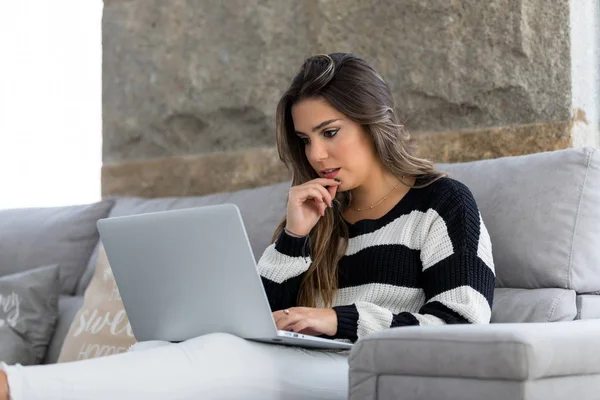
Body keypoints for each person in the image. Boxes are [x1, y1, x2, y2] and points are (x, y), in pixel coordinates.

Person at [0, 52, 495, 399]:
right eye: (304, 139)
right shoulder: (320, 213)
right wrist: (295, 235)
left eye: (330, 133)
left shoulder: (442, 203)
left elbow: (464, 326)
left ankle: (16, 387)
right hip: (301, 359)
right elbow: (258, 320)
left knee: (223, 359)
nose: (316, 155)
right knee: (169, 347)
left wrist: (338, 321)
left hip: (364, 369)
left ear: (374, 122)